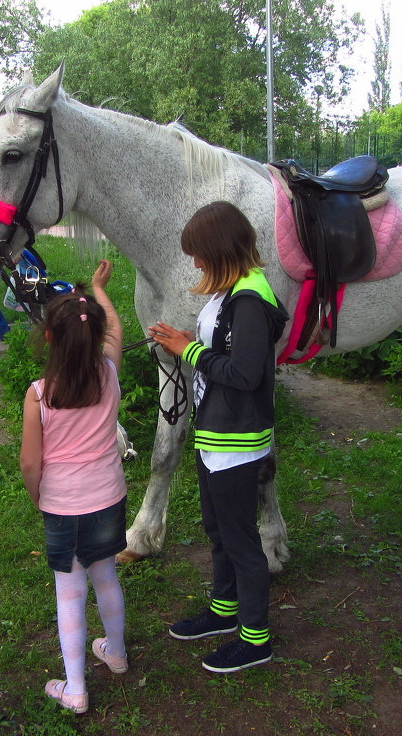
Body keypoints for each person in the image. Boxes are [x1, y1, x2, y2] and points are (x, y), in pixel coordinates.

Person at [148, 201, 289, 673]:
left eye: (199, 254)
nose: (196, 263)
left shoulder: (249, 299)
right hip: (216, 434)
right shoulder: (231, 292)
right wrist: (192, 340)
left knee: (241, 539)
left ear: (219, 249)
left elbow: (246, 374)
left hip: (236, 439)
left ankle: (255, 639)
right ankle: (224, 611)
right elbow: (226, 349)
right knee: (218, 529)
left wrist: (188, 349)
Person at [20, 260, 129, 713]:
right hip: (107, 497)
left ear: (49, 338)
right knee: (106, 576)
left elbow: (30, 463)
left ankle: (75, 688)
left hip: (62, 504)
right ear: (96, 336)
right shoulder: (109, 373)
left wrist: (38, 496)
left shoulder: (39, 394)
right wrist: (100, 290)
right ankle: (116, 654)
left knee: (69, 591)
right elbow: (116, 332)